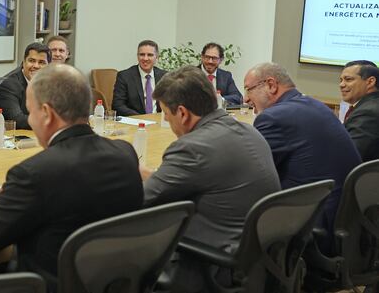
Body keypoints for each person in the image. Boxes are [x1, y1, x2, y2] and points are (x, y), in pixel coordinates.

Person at [0, 64, 142, 291]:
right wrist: (17, 198)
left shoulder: (34, 173)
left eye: (31, 112)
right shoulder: (125, 152)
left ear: (47, 114)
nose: (30, 121)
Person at [142, 66, 279, 292]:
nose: (168, 121)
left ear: (183, 113)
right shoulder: (249, 131)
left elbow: (143, 201)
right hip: (255, 260)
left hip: (209, 264)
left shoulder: (192, 148)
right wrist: (144, 172)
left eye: (166, 115)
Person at [243, 62, 360, 235]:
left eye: (248, 89)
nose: (245, 99)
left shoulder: (273, 118)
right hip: (346, 219)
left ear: (271, 85)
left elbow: (253, 176)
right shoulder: (315, 105)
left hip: (312, 223)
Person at [0, 42, 51, 129]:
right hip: (20, 138)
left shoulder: (53, 85)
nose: (36, 66)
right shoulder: (10, 85)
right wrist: (49, 122)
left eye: (41, 62)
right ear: (24, 62)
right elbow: (16, 119)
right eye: (32, 61)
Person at [112, 39, 167, 115]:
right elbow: (118, 105)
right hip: (135, 122)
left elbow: (171, 102)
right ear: (137, 56)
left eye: (150, 55)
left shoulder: (164, 76)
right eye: (142, 54)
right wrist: (141, 118)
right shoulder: (124, 76)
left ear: (157, 57)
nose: (145, 58)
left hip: (158, 121)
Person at [340, 60, 379, 161]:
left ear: (370, 82)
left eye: (348, 79)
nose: (341, 85)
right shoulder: (369, 105)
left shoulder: (368, 112)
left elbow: (350, 156)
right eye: (341, 80)